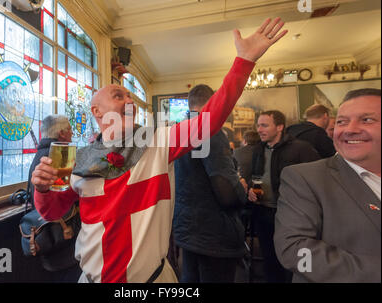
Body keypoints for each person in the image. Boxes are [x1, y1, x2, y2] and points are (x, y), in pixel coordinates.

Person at [31, 17, 288, 283]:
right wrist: (41, 189)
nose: (129, 100)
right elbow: (51, 211)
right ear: (96, 111)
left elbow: (208, 120)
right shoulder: (78, 159)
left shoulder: (158, 141)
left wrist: (243, 62)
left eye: (130, 96)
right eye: (119, 96)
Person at [274, 88, 381, 283]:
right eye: (342, 122)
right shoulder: (305, 178)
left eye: (366, 120)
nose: (350, 129)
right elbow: (294, 251)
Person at [172, 84, 248, 283]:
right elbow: (227, 194)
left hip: (186, 227)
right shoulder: (209, 130)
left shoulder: (179, 131)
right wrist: (241, 189)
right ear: (213, 103)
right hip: (213, 233)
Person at [248, 110, 320, 283]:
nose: (259, 129)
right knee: (269, 258)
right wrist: (250, 190)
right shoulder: (258, 149)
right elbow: (256, 176)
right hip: (263, 212)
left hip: (290, 215)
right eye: (258, 125)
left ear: (279, 127)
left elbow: (317, 179)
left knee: (291, 259)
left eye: (264, 125)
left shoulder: (300, 148)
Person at [26, 114, 81, 281]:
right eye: (70, 130)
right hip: (62, 241)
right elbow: (63, 199)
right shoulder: (58, 158)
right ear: (62, 133)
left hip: (48, 240)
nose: (72, 134)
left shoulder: (40, 155)